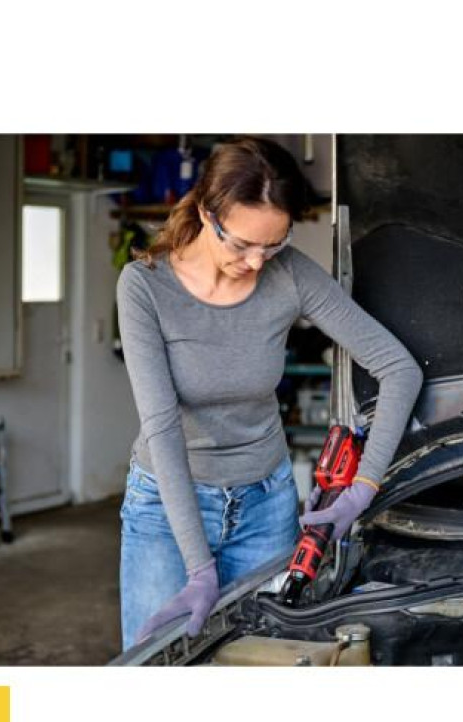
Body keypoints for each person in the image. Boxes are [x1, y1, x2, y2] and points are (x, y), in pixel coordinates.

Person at [116, 136, 423, 650]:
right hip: (166, 512)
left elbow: (398, 367)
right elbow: (163, 428)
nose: (258, 263)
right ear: (206, 212)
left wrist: (362, 487)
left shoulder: (290, 275)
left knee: (262, 662)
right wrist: (198, 568)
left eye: (273, 245)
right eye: (241, 245)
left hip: (265, 505)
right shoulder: (144, 287)